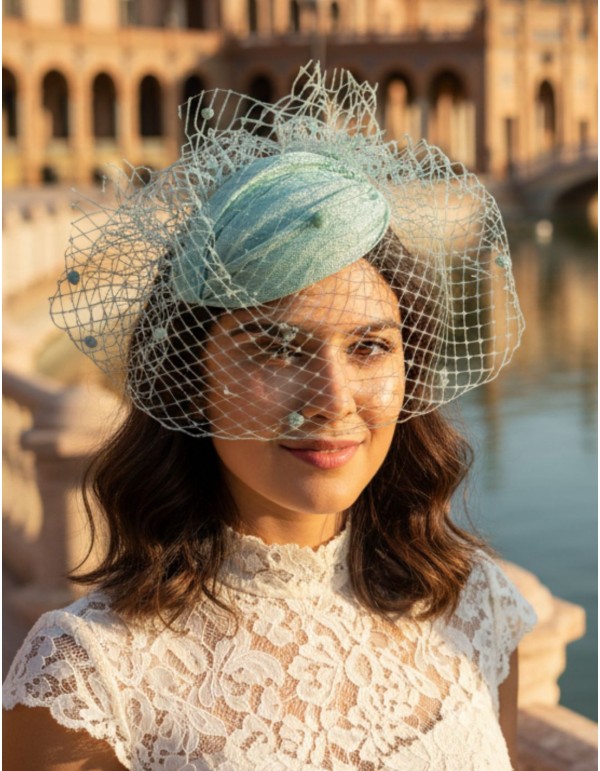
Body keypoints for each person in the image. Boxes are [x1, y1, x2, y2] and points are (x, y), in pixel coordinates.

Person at [3, 64, 535, 770]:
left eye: (370, 345)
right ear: (192, 379)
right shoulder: (90, 676)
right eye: (276, 349)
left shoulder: (475, 608)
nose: (334, 396)